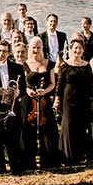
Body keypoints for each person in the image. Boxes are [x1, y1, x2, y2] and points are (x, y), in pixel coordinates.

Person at [0, 40, 24, 173]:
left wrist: (18, 93)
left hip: (11, 106)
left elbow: (23, 87)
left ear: (9, 53)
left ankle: (15, 165)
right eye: (0, 51)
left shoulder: (17, 67)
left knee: (12, 137)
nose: (2, 54)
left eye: (5, 51)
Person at [22, 35, 59, 168]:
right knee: (28, 130)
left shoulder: (49, 63)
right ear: (29, 48)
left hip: (44, 100)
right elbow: (24, 84)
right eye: (33, 47)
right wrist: (28, 91)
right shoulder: (25, 64)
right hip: (29, 101)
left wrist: (45, 91)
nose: (36, 50)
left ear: (42, 48)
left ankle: (48, 160)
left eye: (38, 47)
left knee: (48, 129)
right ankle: (29, 161)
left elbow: (53, 83)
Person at [56, 39, 93, 164]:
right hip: (68, 100)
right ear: (71, 50)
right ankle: (68, 156)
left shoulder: (86, 65)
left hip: (83, 99)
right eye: (75, 48)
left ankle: (80, 155)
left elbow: (90, 84)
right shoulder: (65, 65)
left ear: (83, 50)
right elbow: (60, 84)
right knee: (68, 125)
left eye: (80, 48)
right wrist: (57, 99)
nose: (78, 50)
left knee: (81, 125)